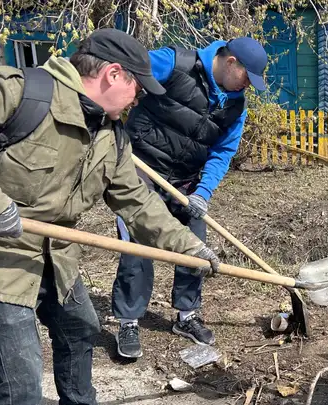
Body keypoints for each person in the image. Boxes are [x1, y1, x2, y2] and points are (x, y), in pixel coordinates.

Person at [0, 29, 221, 405]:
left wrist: (192, 250)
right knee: (21, 376)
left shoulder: (109, 134)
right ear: (113, 75)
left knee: (80, 327)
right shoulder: (17, 93)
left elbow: (138, 204)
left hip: (54, 254)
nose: (138, 100)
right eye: (136, 87)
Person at [110, 37, 268, 358]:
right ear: (231, 62)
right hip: (140, 172)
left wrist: (203, 192)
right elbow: (124, 70)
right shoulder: (175, 63)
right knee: (138, 247)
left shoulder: (235, 105)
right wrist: (110, 112)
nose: (248, 87)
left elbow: (223, 152)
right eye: (247, 78)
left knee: (196, 247)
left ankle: (187, 315)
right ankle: (128, 321)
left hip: (186, 180)